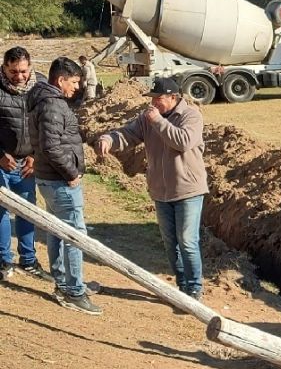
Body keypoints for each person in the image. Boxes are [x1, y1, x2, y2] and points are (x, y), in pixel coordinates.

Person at [95, 77, 208, 300]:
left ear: (173, 98)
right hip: (160, 191)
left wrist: (158, 122)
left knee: (187, 240)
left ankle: (194, 288)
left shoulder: (191, 116)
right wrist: (109, 139)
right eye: (152, 98)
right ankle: (182, 287)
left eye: (159, 98)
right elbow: (128, 134)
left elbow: (183, 141)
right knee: (170, 243)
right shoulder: (147, 119)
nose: (154, 102)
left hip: (188, 190)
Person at [27, 57, 101, 315]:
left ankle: (64, 281)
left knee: (57, 230)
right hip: (59, 181)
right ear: (60, 80)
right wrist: (71, 173)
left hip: (49, 178)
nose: (78, 87)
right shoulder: (53, 106)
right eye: (74, 81)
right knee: (74, 237)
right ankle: (74, 291)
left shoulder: (45, 100)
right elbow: (51, 146)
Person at [0, 47, 49, 280]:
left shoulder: (40, 88)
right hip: (2, 162)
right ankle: (4, 260)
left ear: (30, 68)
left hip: (28, 163)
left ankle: (28, 260)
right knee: (0, 212)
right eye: (13, 72)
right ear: (4, 68)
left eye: (23, 71)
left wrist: (35, 155)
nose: (19, 77)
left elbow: (47, 124)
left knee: (28, 211)